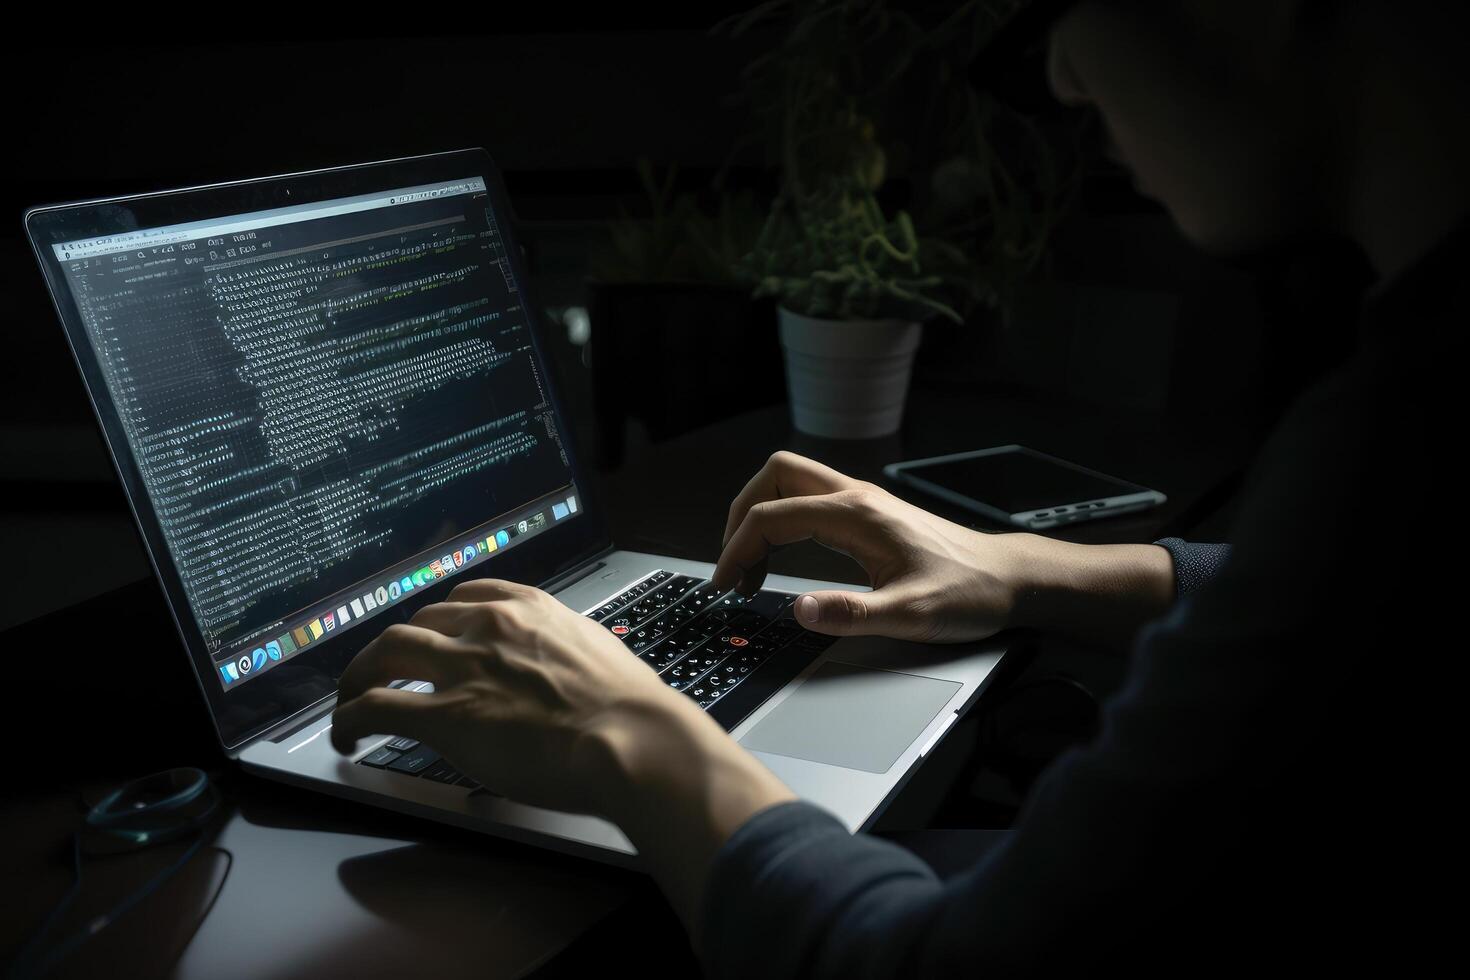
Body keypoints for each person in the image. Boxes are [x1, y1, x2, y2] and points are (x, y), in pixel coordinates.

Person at [330, 1, 1463, 973]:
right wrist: (1030, 565)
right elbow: (1317, 602)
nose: (1062, 74)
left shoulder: (1395, 433)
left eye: (1067, 6)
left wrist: (629, 728)